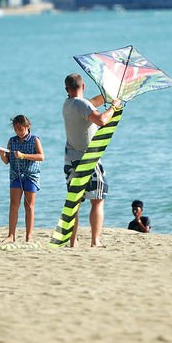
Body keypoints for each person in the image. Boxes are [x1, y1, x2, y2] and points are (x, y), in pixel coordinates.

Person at [62, 73, 121, 248]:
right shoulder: (82, 105)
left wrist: (107, 97)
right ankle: (95, 241)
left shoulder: (68, 104)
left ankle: (73, 242)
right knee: (98, 199)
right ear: (84, 86)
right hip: (88, 159)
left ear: (67, 89)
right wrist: (114, 107)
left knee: (75, 201)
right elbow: (102, 120)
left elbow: (91, 104)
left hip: (71, 159)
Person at [0, 114, 44, 243]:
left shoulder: (34, 139)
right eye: (15, 129)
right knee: (13, 205)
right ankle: (11, 235)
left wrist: (23, 156)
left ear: (27, 127)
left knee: (29, 206)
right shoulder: (12, 141)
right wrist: (2, 155)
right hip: (15, 176)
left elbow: (41, 157)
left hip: (31, 176)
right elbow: (7, 161)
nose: (18, 131)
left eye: (20, 128)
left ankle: (29, 236)